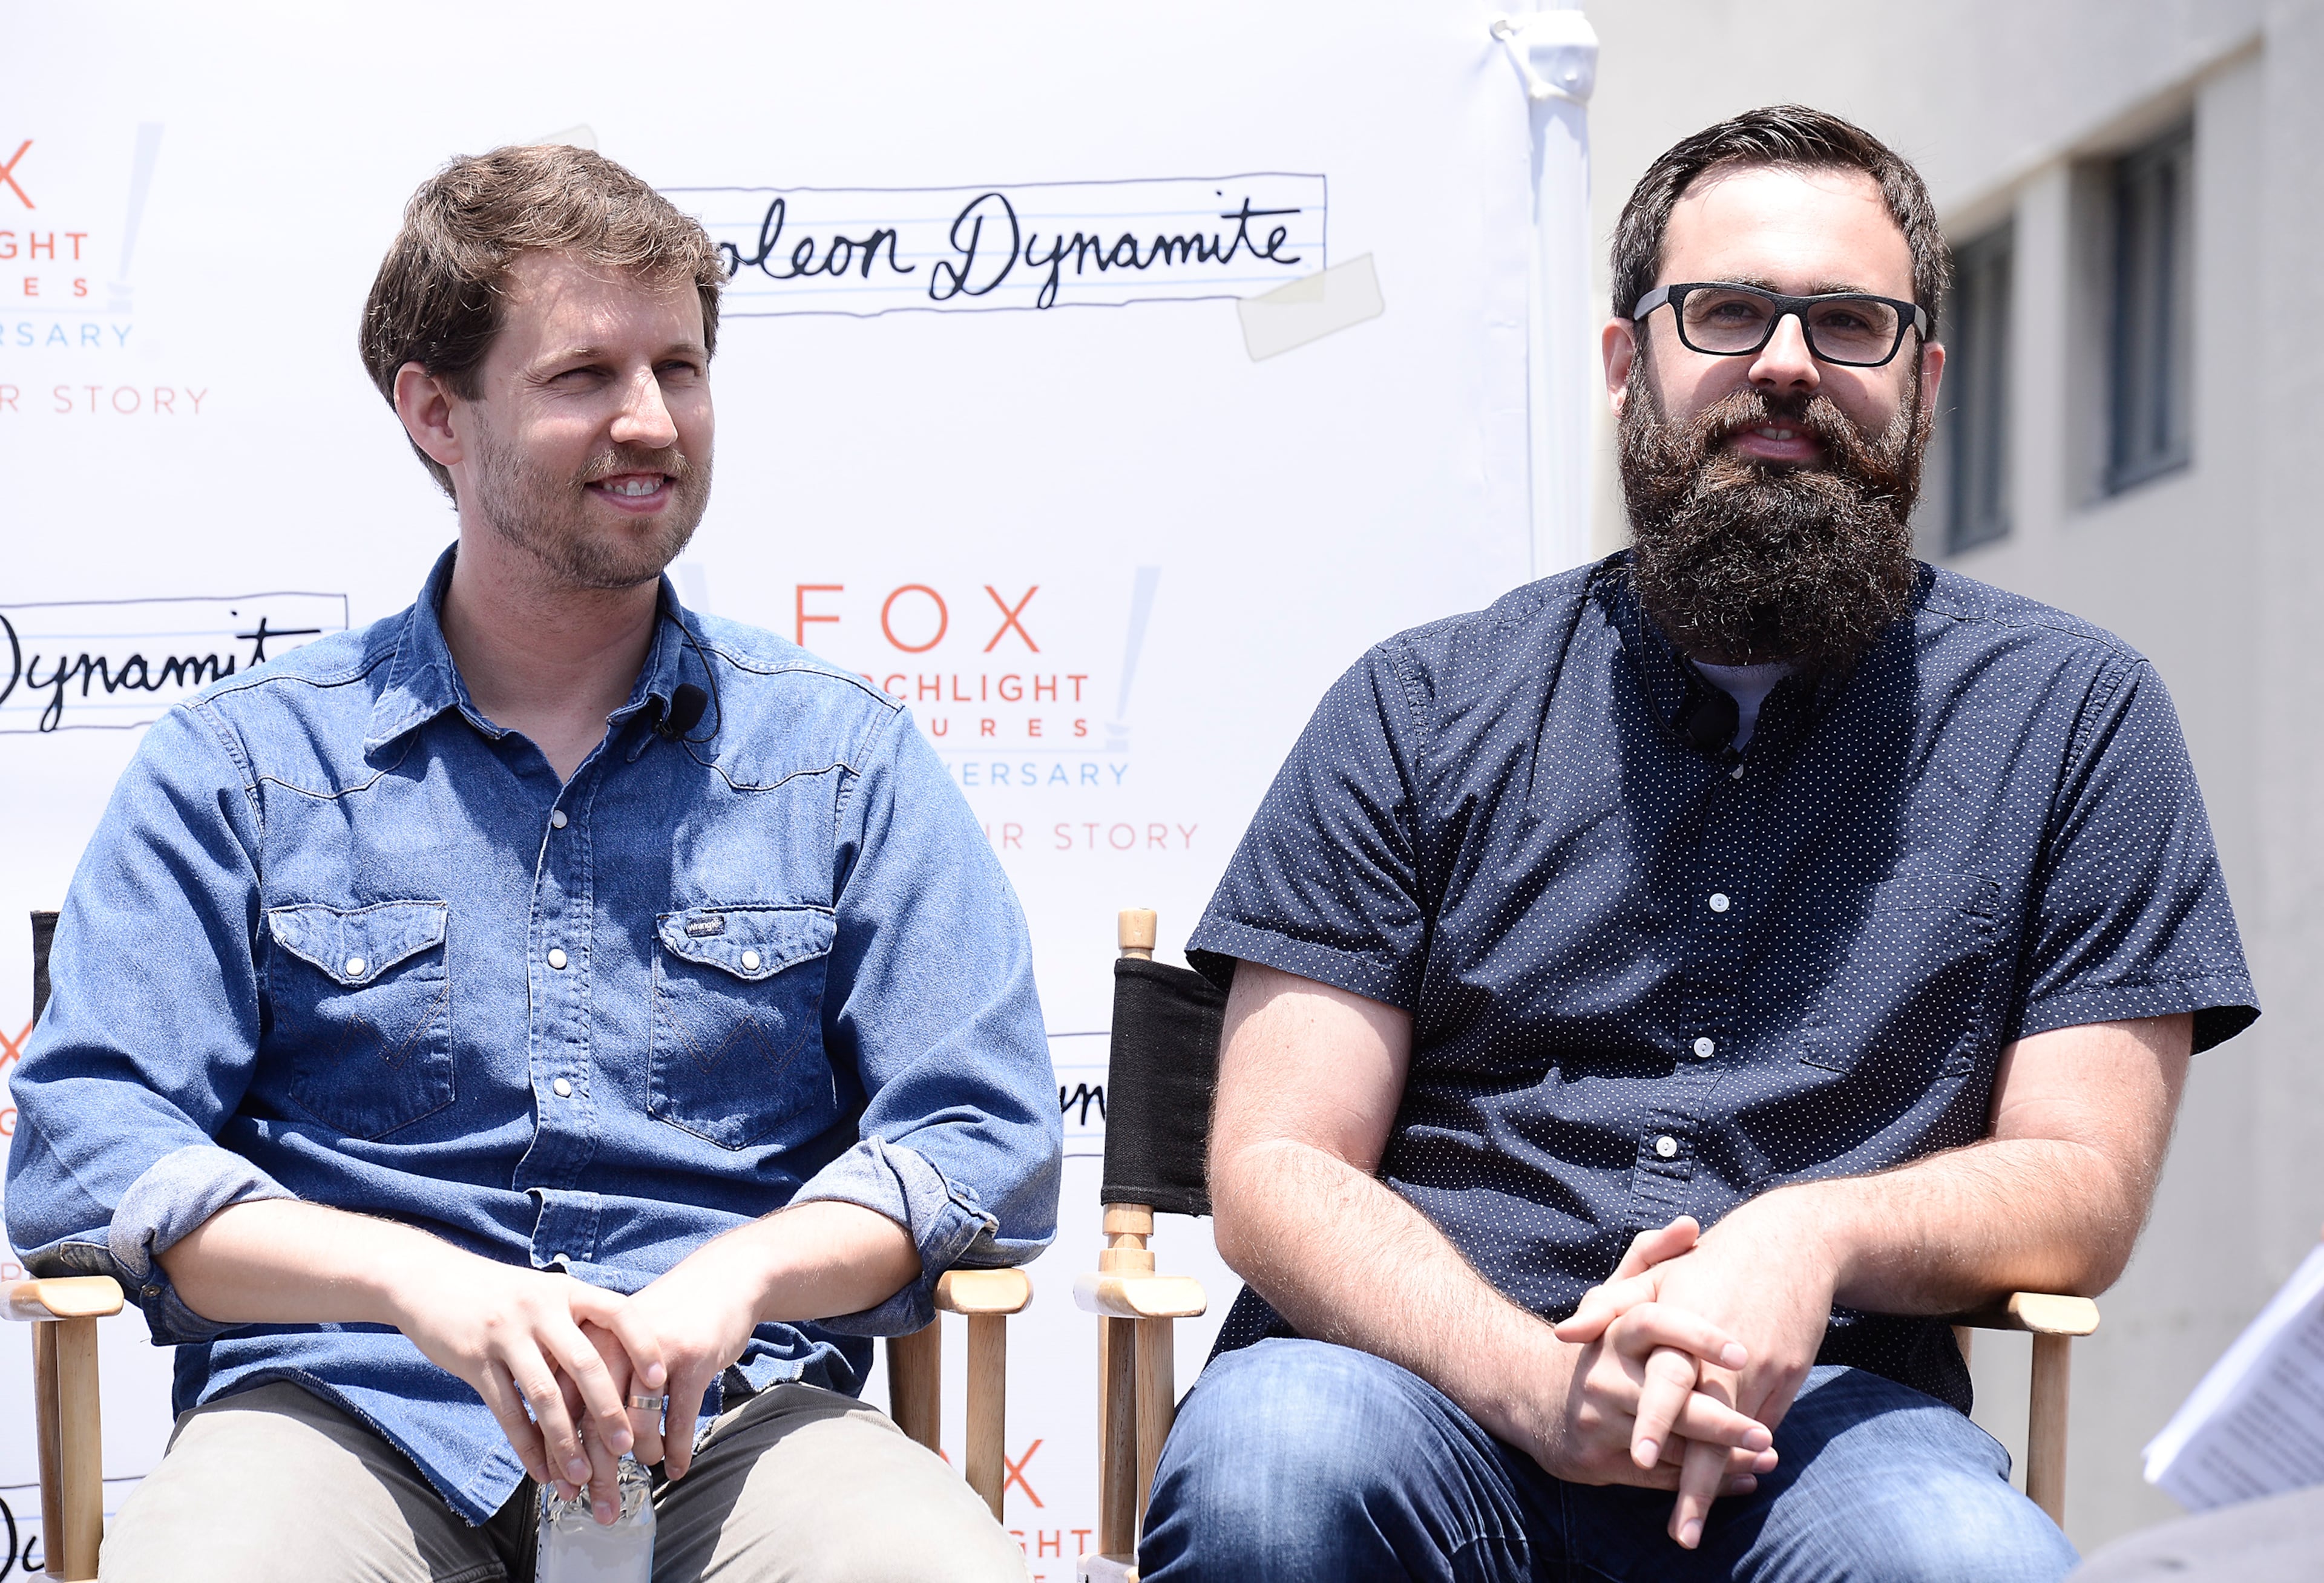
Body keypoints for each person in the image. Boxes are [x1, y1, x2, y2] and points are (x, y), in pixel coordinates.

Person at [1137, 106, 2258, 1583]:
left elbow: (2083, 1186)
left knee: (1966, 1565)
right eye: (1726, 311)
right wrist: (1536, 1387)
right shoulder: (1420, 705)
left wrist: (1804, 1239)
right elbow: (1277, 1162)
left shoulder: (2075, 718)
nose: (1786, 364)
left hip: (1827, 1423)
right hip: (1425, 1391)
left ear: (1920, 384)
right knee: (1275, 1474)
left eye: (1848, 323)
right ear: (1626, 367)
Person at [6, 144, 1057, 1582]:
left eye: (678, 368)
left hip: (733, 1432)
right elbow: (87, 1146)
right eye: (582, 378)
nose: (650, 422)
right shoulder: (239, 765)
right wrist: (412, 1284)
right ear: (436, 412)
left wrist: (742, 1280)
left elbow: (982, 1136)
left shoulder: (842, 759)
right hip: (346, 1415)